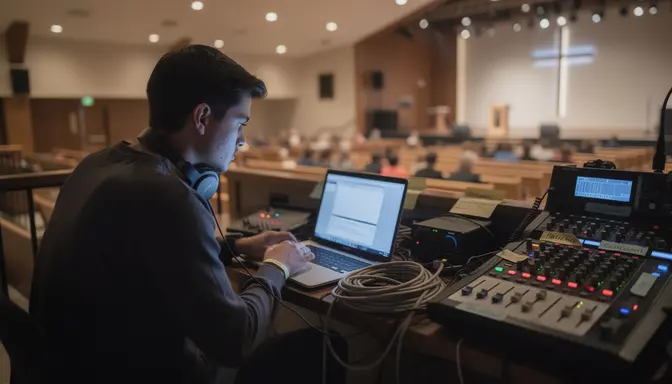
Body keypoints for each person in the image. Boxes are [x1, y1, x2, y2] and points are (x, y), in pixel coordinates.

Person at [29, 45, 342, 384]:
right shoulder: (169, 197)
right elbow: (235, 339)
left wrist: (238, 246)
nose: (242, 139)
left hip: (73, 367)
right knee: (326, 344)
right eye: (239, 122)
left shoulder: (96, 166)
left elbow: (150, 251)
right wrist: (277, 266)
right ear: (202, 117)